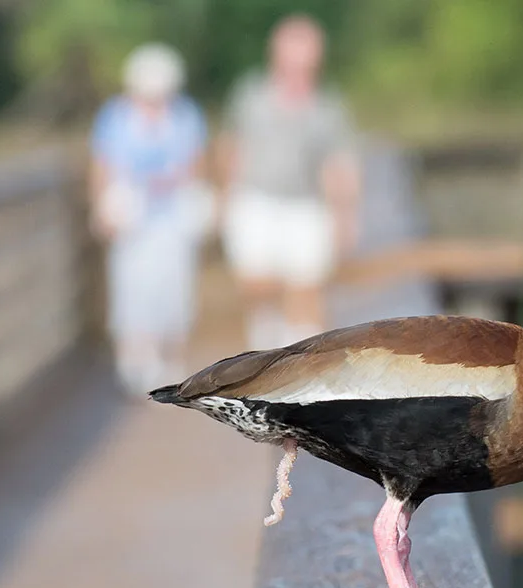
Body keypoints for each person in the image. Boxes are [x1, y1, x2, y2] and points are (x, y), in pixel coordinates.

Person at [218, 14, 359, 349]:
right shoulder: (251, 95)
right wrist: (225, 195)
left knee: (307, 286)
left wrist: (346, 215)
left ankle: (298, 355)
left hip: (306, 205)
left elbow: (340, 163)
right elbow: (231, 145)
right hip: (256, 199)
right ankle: (264, 339)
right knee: (255, 283)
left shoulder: (328, 107)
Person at [89, 43, 210, 396]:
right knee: (131, 288)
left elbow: (197, 161)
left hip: (173, 218)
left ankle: (172, 361)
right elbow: (102, 164)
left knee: (175, 287)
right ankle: (134, 361)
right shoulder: (115, 115)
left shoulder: (186, 115)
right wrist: (100, 207)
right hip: (131, 218)